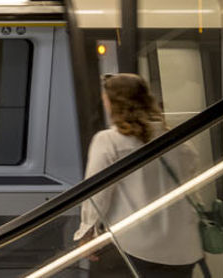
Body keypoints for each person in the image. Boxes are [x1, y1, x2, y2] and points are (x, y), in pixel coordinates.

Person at [78, 73, 201, 278]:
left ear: (114, 103)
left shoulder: (109, 141)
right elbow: (192, 189)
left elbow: (97, 193)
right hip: (182, 249)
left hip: (131, 248)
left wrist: (87, 233)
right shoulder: (180, 140)